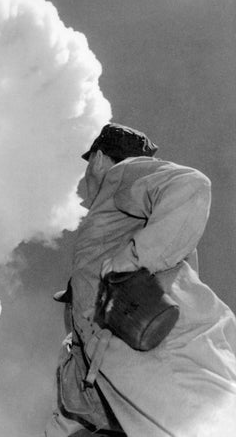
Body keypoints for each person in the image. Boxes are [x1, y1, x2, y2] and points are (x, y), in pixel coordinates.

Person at [45, 123, 236, 436]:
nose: (87, 179)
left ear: (97, 159)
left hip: (163, 355)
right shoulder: (124, 222)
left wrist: (129, 262)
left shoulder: (123, 174)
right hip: (144, 360)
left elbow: (192, 184)